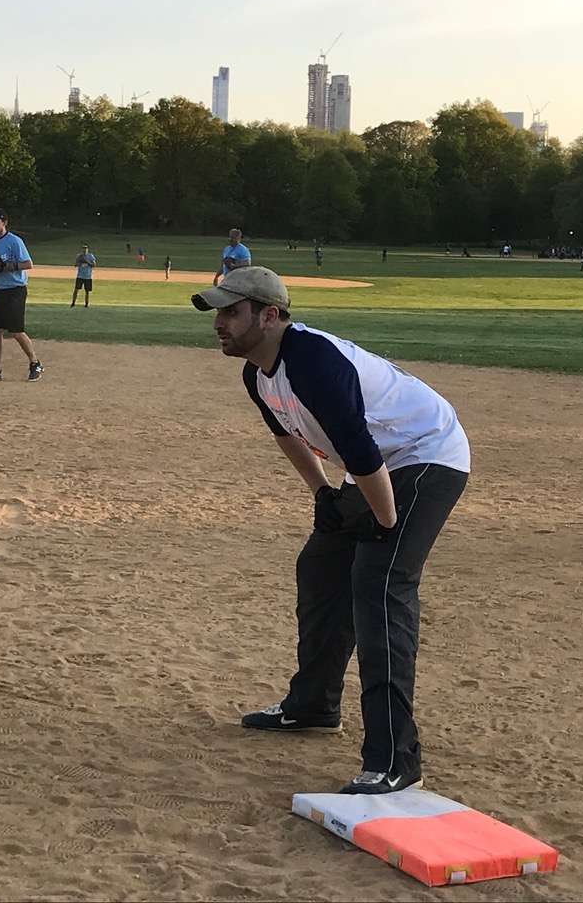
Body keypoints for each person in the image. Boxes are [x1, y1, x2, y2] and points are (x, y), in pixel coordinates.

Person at [191, 266, 470, 795]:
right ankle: (313, 705)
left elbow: (362, 452)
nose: (220, 323)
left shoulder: (313, 360)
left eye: (232, 311)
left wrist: (385, 523)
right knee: (321, 566)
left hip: (427, 454)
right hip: (377, 467)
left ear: (269, 316)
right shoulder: (257, 373)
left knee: (380, 582)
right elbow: (289, 436)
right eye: (219, 313)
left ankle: (395, 756)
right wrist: (323, 493)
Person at [0, 208, 43, 383]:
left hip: (15, 289)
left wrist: (8, 266)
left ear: (4, 223)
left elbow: (28, 264)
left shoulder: (14, 241)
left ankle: (35, 363)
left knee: (16, 331)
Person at [72, 243, 95, 307]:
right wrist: (80, 262)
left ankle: (86, 304)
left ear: (88, 249)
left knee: (87, 291)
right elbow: (75, 265)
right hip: (80, 276)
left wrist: (86, 261)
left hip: (88, 276)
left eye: (86, 248)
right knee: (76, 289)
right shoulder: (79, 256)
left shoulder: (91, 256)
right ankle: (73, 303)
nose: (84, 250)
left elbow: (93, 265)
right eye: (83, 248)